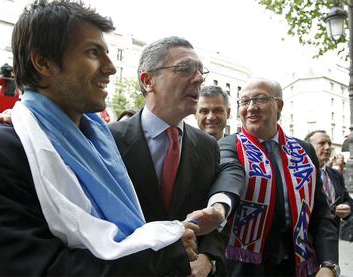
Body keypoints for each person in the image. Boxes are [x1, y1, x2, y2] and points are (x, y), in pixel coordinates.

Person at [0, 1, 203, 275]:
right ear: (43, 62)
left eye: (107, 53)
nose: (111, 68)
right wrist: (166, 252)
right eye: (93, 52)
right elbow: (42, 268)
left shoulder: (104, 146)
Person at [109, 36, 244, 276]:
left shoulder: (207, 146)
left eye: (201, 72)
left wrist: (208, 256)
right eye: (185, 69)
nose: (200, 78)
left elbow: (212, 220)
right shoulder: (107, 141)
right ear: (148, 80)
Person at [215, 78, 339, 276]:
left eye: (260, 99)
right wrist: (220, 206)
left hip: (300, 266)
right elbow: (228, 182)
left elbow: (321, 213)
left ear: (279, 105)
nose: (251, 108)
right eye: (244, 101)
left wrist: (329, 264)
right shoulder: (227, 147)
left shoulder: (304, 151)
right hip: (245, 268)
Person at [304, 130, 353, 229]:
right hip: (306, 237)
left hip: (331, 237)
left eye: (329, 144)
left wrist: (348, 208)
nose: (327, 147)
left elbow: (347, 199)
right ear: (308, 147)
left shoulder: (336, 174)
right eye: (322, 143)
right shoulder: (298, 174)